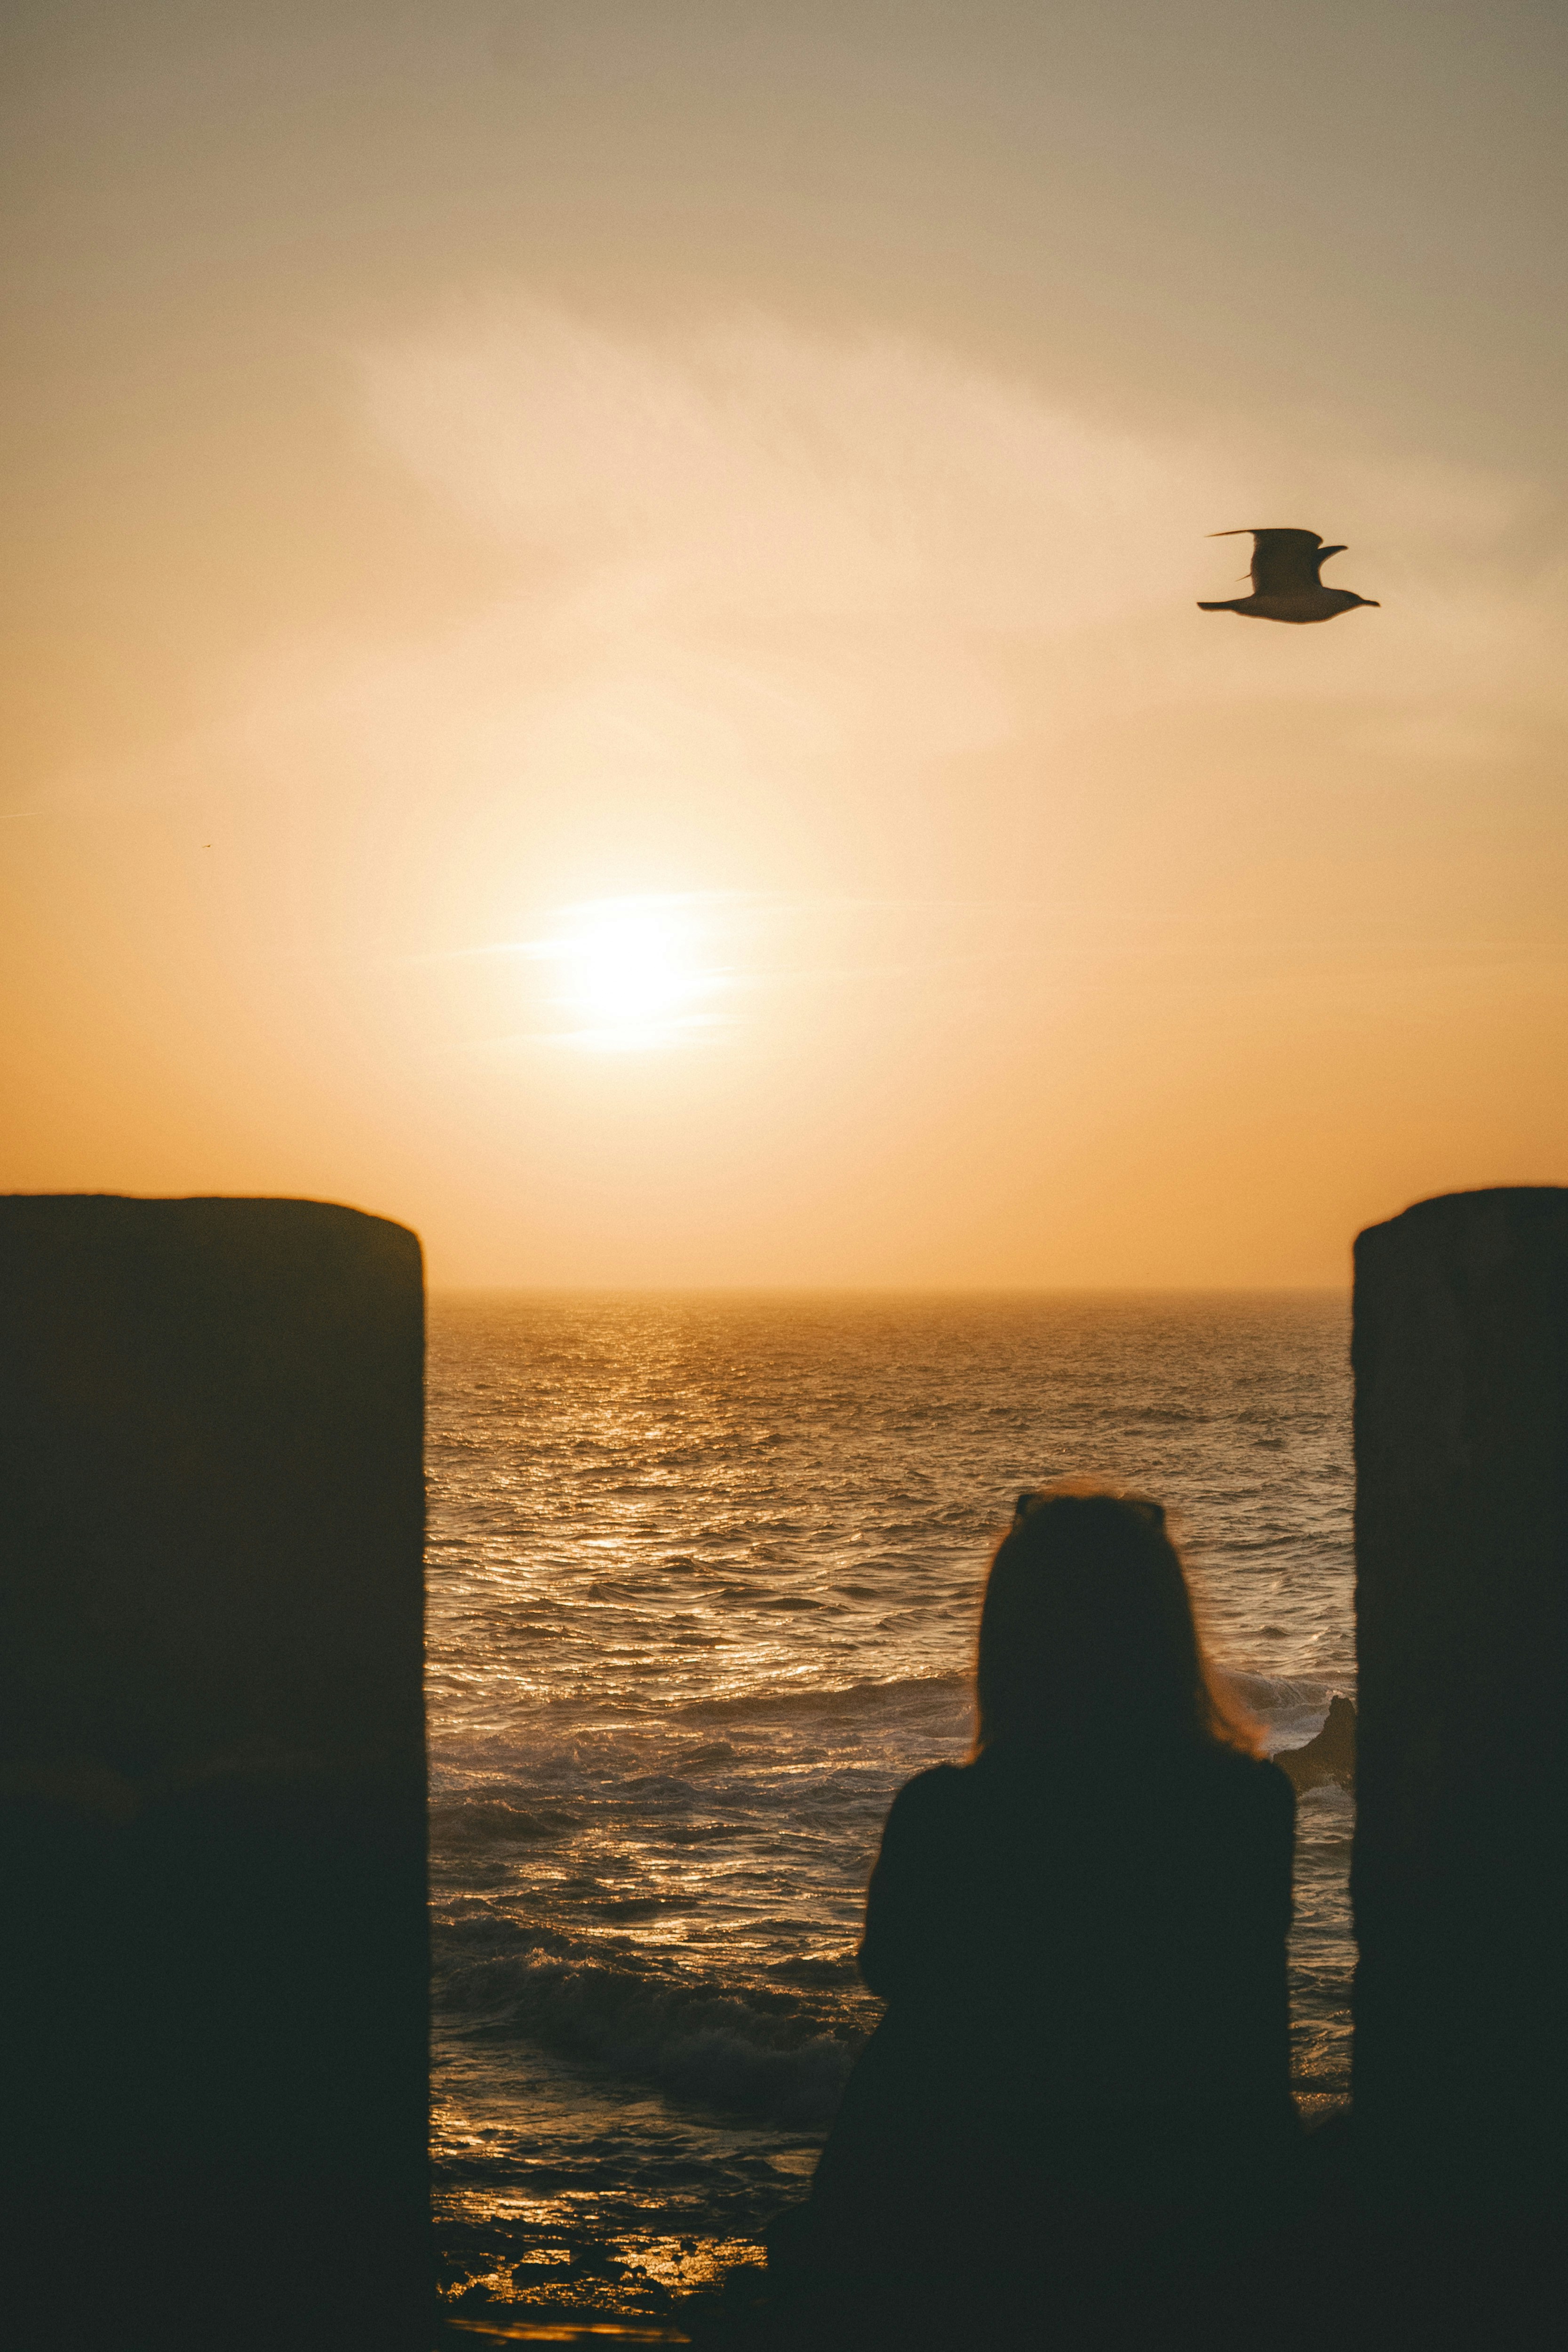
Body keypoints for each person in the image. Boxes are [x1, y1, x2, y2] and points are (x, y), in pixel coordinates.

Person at [775, 1482, 1300, 2349]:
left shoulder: (946, 1812)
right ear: (1163, 1632)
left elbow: (895, 1974)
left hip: (970, 2209)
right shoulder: (1244, 1804)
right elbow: (1238, 2012)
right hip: (1188, 2198)